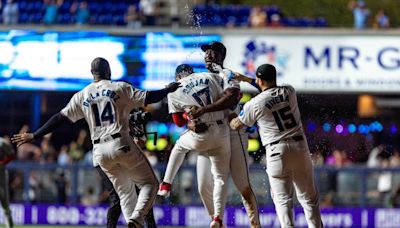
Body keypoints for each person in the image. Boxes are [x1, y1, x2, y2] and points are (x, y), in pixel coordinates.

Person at [11, 57, 180, 228]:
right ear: (109, 72)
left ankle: (133, 223)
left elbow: (59, 118)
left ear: (92, 74)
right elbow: (150, 97)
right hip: (120, 142)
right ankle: (136, 219)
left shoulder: (82, 95)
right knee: (149, 184)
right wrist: (168, 90)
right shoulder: (119, 87)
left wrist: (35, 135)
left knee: (125, 194)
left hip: (99, 151)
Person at [160, 41, 261, 227]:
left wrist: (201, 112)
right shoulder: (200, 77)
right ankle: (217, 222)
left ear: (221, 55)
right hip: (210, 135)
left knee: (243, 186)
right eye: (206, 52)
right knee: (203, 186)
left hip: (232, 133)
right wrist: (190, 123)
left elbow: (230, 99)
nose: (207, 55)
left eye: (212, 52)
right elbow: (185, 115)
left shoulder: (227, 74)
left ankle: (255, 224)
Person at [230, 64, 323, 228]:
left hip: (276, 152)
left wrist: (229, 116)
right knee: (310, 201)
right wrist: (246, 79)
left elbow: (237, 124)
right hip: (300, 148)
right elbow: (268, 90)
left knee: (283, 202)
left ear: (259, 79)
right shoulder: (289, 91)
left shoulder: (254, 103)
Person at [158, 59, 234, 228]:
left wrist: (188, 117)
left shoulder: (175, 88)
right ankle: (217, 218)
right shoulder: (208, 76)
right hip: (222, 132)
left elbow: (178, 122)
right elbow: (228, 97)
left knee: (179, 146)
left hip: (200, 134)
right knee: (218, 180)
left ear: (178, 76)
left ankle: (166, 183)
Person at [0, 137, 15, 228]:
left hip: (1, 174)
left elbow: (11, 155)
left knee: (4, 199)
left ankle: (9, 220)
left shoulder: (2, 143)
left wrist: (1, 163)